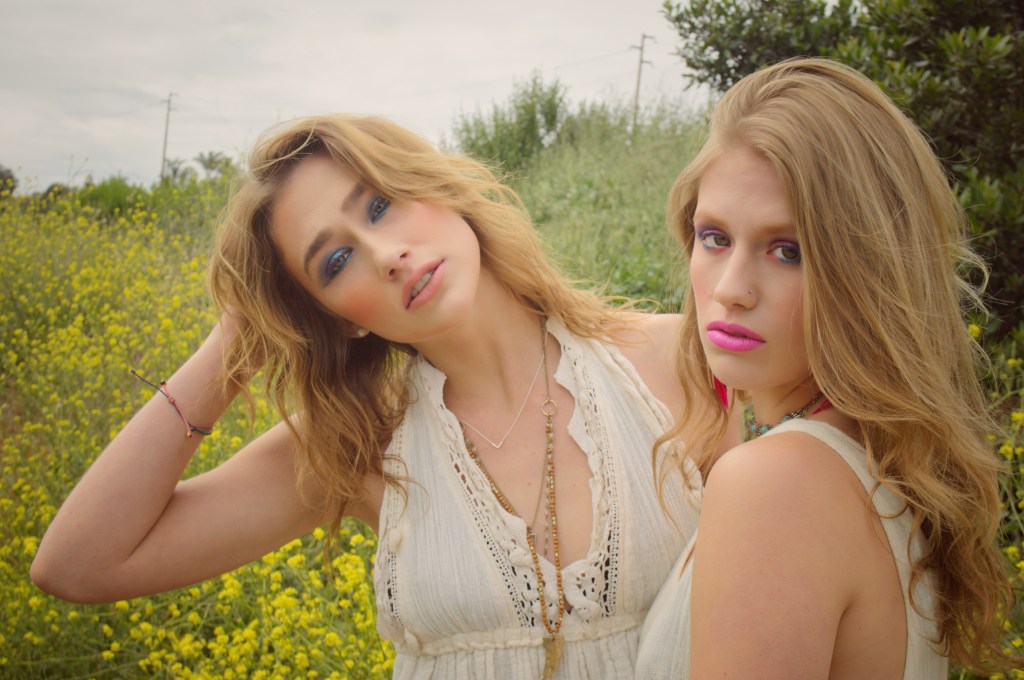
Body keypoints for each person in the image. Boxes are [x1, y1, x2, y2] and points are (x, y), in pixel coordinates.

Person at [31, 114, 718, 679]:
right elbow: (78, 564)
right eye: (335, 262)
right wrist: (236, 343)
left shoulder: (674, 360)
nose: (384, 253)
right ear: (340, 317)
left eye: (380, 205)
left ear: (436, 187)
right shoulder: (359, 448)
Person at [634, 58, 1017, 679]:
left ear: (865, 272)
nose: (732, 289)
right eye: (714, 237)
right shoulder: (880, 465)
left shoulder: (775, 485)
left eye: (789, 251)